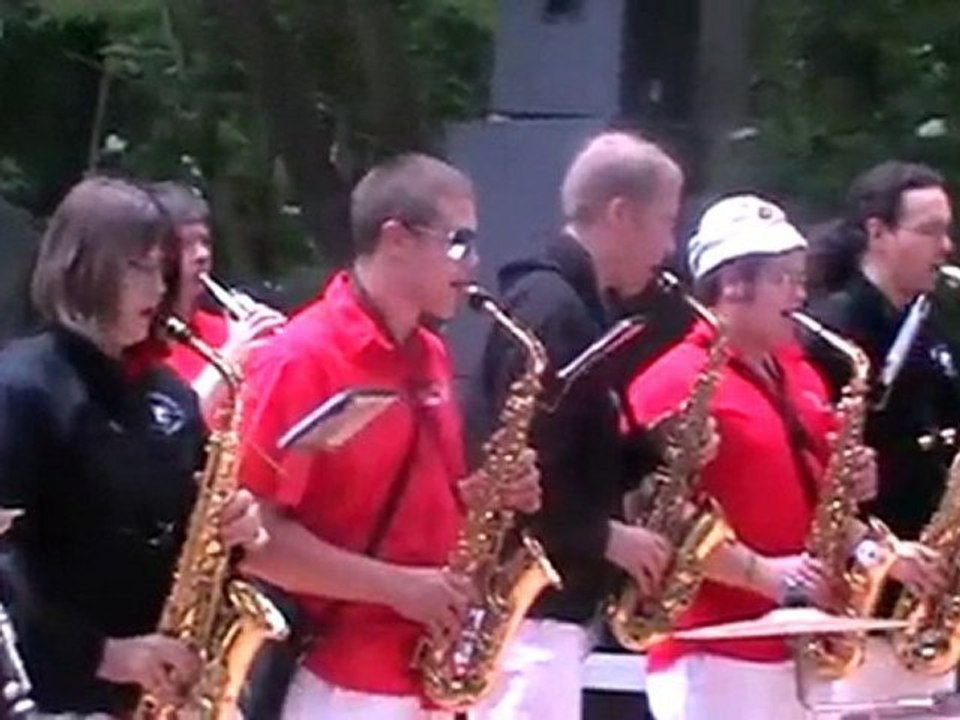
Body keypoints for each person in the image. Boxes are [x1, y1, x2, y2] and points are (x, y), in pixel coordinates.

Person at [237, 153, 541, 720]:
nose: (473, 263)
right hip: (336, 681)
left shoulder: (429, 353)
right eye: (459, 242)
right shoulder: (301, 358)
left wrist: (491, 495)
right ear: (396, 239)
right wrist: (400, 588)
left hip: (429, 674)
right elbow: (254, 541)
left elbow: (412, 502)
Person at [625, 194, 931, 720]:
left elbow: (825, 508)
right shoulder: (674, 380)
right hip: (714, 650)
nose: (800, 293)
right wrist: (762, 573)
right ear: (733, 286)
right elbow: (655, 511)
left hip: (797, 644)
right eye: (782, 279)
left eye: (799, 277)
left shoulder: (800, 375)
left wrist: (880, 550)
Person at [0, 176, 266, 716]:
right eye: (137, 267)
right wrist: (101, 655)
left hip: (151, 694)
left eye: (163, 268)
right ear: (82, 265)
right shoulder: (25, 386)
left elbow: (197, 542)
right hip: (53, 698)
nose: (157, 287)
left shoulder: (168, 394)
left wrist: (237, 531)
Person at [463, 131, 683, 720]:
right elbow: (525, 471)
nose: (667, 248)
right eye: (665, 223)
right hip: (528, 618)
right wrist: (608, 536)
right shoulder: (554, 310)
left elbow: (576, 452)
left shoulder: (572, 305)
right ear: (621, 214)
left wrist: (652, 448)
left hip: (547, 615)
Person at [804, 161, 955, 709]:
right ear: (877, 233)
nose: (946, 247)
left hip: (925, 597)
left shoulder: (929, 330)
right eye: (929, 230)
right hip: (863, 597)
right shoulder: (832, 333)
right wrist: (878, 550)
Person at [150, 181, 284, 415]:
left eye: (205, 242)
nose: (202, 255)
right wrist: (231, 356)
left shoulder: (227, 332)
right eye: (186, 245)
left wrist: (284, 349)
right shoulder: (137, 346)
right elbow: (172, 429)